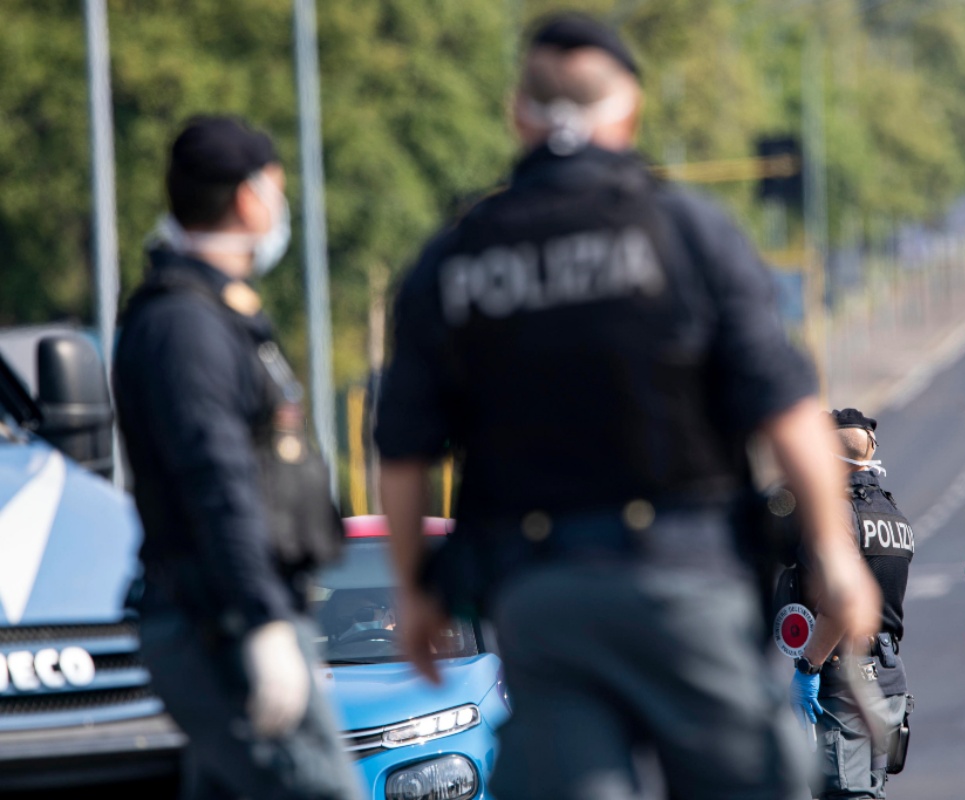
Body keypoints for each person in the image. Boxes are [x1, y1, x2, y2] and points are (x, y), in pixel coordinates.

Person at [373, 12, 880, 800]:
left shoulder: (454, 259)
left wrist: (413, 594)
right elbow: (787, 412)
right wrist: (836, 555)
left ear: (518, 114)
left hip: (540, 600)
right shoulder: (687, 232)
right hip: (685, 579)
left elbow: (403, 451)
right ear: (630, 109)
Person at [114, 116, 361, 800]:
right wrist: (261, 621)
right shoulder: (185, 324)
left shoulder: (212, 314)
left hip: (230, 616)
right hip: (219, 623)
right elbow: (216, 481)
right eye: (277, 191)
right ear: (251, 199)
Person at [782, 409, 914, 800]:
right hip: (888, 678)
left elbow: (840, 602)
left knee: (846, 794)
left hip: (842, 679)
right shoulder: (891, 512)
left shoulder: (834, 513)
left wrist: (808, 667)